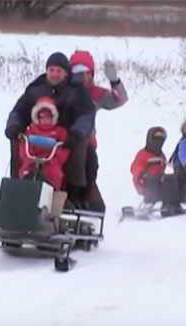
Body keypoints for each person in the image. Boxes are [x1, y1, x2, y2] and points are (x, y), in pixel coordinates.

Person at [5, 52, 96, 208]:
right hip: (38, 134)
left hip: (65, 139)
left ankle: (72, 195)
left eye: (59, 71)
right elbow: (20, 110)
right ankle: (18, 186)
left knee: (80, 147)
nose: (54, 74)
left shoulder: (76, 91)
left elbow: (87, 114)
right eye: (51, 70)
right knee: (17, 142)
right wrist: (14, 126)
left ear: (66, 73)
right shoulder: (36, 89)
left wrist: (76, 133)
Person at [69, 50, 129, 212]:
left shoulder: (95, 93)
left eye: (86, 72)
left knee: (89, 172)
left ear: (92, 73)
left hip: (88, 144)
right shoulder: (65, 90)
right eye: (77, 72)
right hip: (65, 142)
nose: (82, 77)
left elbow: (120, 100)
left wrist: (114, 81)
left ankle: (89, 202)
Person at [130, 127, 186, 217]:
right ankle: (162, 204)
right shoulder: (142, 154)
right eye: (156, 138)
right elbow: (136, 169)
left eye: (161, 139)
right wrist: (140, 178)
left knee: (173, 178)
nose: (158, 142)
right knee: (166, 178)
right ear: (150, 139)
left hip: (158, 182)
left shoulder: (161, 155)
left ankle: (174, 203)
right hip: (146, 183)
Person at [17, 97, 69, 191]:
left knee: (53, 173)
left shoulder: (59, 131)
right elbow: (24, 144)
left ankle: (51, 192)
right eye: (42, 117)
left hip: (51, 160)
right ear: (37, 117)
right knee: (26, 171)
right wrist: (27, 157)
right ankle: (24, 191)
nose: (45, 120)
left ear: (53, 117)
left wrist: (56, 158)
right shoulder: (32, 130)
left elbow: (64, 147)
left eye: (48, 117)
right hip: (32, 159)